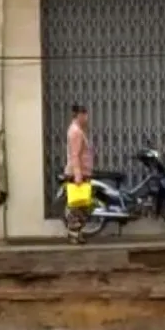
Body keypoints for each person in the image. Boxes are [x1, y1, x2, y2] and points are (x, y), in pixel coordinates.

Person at [64, 103, 94, 245]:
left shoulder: (76, 130)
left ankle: (78, 233)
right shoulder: (76, 132)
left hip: (82, 172)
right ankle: (74, 234)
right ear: (80, 115)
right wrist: (78, 175)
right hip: (78, 174)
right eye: (85, 115)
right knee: (77, 205)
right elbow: (75, 155)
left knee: (82, 205)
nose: (87, 118)